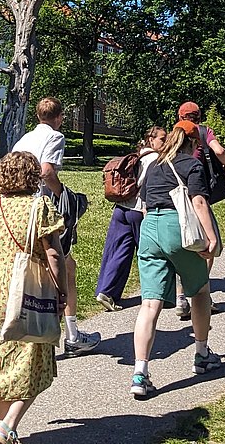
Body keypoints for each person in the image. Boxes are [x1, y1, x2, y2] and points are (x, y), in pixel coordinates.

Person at [0, 151, 67, 444]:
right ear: (33, 177)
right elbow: (53, 255)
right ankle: (7, 425)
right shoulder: (40, 206)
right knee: (34, 359)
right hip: (26, 290)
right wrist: (61, 293)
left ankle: (4, 429)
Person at [129, 118, 222, 399]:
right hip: (176, 228)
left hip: (150, 229)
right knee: (200, 291)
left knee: (149, 303)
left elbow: (143, 202)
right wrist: (211, 237)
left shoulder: (154, 166)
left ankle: (140, 372)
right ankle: (202, 353)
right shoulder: (191, 165)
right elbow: (198, 202)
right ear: (194, 143)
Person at [11, 97, 100, 355]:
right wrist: (62, 193)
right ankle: (68, 335)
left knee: (50, 268)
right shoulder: (55, 138)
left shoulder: (24, 139)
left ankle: (39, 331)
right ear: (59, 117)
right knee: (61, 268)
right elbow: (47, 171)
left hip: (18, 205)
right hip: (40, 208)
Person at [94, 125, 166, 311]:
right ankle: (157, 294)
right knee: (150, 254)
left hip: (120, 208)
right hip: (139, 211)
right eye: (162, 139)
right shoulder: (156, 160)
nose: (165, 143)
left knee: (117, 252)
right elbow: (150, 188)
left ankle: (106, 292)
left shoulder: (136, 156)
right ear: (151, 139)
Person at [174, 101, 225, 320]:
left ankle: (180, 297)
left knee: (184, 243)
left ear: (180, 115)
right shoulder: (204, 131)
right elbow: (219, 150)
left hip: (175, 194)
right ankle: (199, 292)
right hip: (197, 192)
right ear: (199, 116)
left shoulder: (175, 131)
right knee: (209, 243)